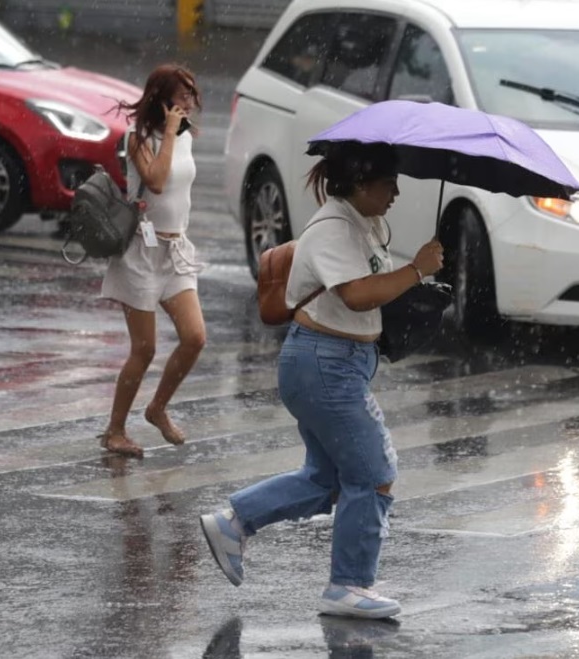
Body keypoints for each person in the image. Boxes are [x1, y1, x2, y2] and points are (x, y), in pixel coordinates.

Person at [200, 142, 444, 618]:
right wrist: (416, 270)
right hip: (324, 364)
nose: (396, 191)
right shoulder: (333, 228)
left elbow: (371, 289)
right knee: (375, 474)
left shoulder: (365, 223)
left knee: (328, 478)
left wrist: (417, 284)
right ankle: (348, 585)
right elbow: (356, 296)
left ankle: (234, 522)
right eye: (388, 182)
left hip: (338, 363)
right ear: (359, 183)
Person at [98, 64, 206, 458]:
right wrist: (170, 139)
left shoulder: (186, 137)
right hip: (140, 254)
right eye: (183, 97)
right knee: (144, 349)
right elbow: (157, 181)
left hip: (176, 251)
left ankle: (157, 407)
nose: (190, 103)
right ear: (162, 101)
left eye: (193, 95)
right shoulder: (139, 138)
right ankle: (114, 431)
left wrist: (179, 135)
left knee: (195, 338)